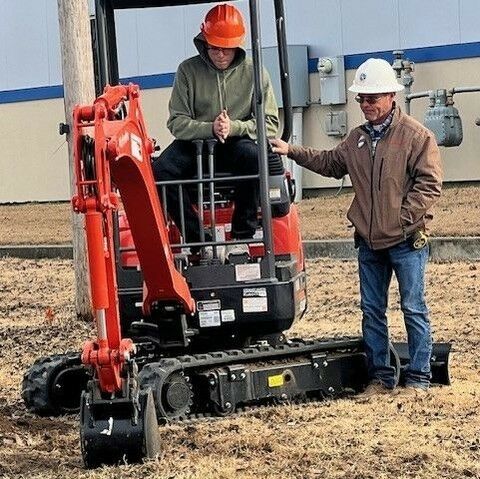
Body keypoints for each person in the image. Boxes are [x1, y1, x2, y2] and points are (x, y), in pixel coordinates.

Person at [270, 58, 443, 396]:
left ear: (391, 96)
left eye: (372, 98)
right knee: (372, 310)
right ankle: (381, 378)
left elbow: (430, 184)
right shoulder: (356, 140)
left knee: (413, 308)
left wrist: (403, 219)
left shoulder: (417, 137)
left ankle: (418, 379)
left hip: (407, 241)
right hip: (369, 242)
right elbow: (329, 163)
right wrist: (291, 150)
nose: (365, 105)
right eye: (361, 99)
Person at [152, 3, 279, 258]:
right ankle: (198, 241)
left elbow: (270, 122)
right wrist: (209, 127)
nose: (220, 54)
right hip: (196, 142)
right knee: (161, 169)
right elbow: (176, 122)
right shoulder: (187, 71)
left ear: (237, 45)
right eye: (215, 48)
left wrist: (234, 127)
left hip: (236, 141)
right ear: (204, 42)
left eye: (227, 49)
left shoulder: (255, 72)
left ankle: (241, 237)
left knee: (257, 158)